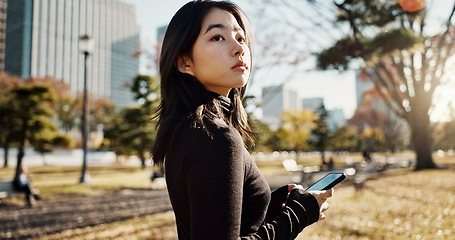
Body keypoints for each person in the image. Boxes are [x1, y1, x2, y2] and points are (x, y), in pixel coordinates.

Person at [151, 1, 334, 239]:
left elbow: (212, 222)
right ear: (185, 62)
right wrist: (299, 213)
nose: (239, 48)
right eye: (217, 37)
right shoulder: (215, 137)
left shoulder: (187, 129)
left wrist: (270, 203)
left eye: (240, 37)